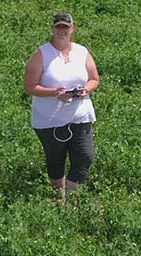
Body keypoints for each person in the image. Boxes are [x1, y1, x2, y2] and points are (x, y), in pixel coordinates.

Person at [23, 11, 100, 202]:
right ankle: (58, 197)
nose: (61, 31)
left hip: (80, 114)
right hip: (50, 119)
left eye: (65, 27)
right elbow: (29, 87)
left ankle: (72, 201)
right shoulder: (41, 54)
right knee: (56, 159)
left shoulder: (82, 52)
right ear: (52, 29)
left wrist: (85, 90)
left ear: (72, 29)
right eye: (58, 27)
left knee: (84, 156)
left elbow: (94, 79)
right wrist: (55, 92)